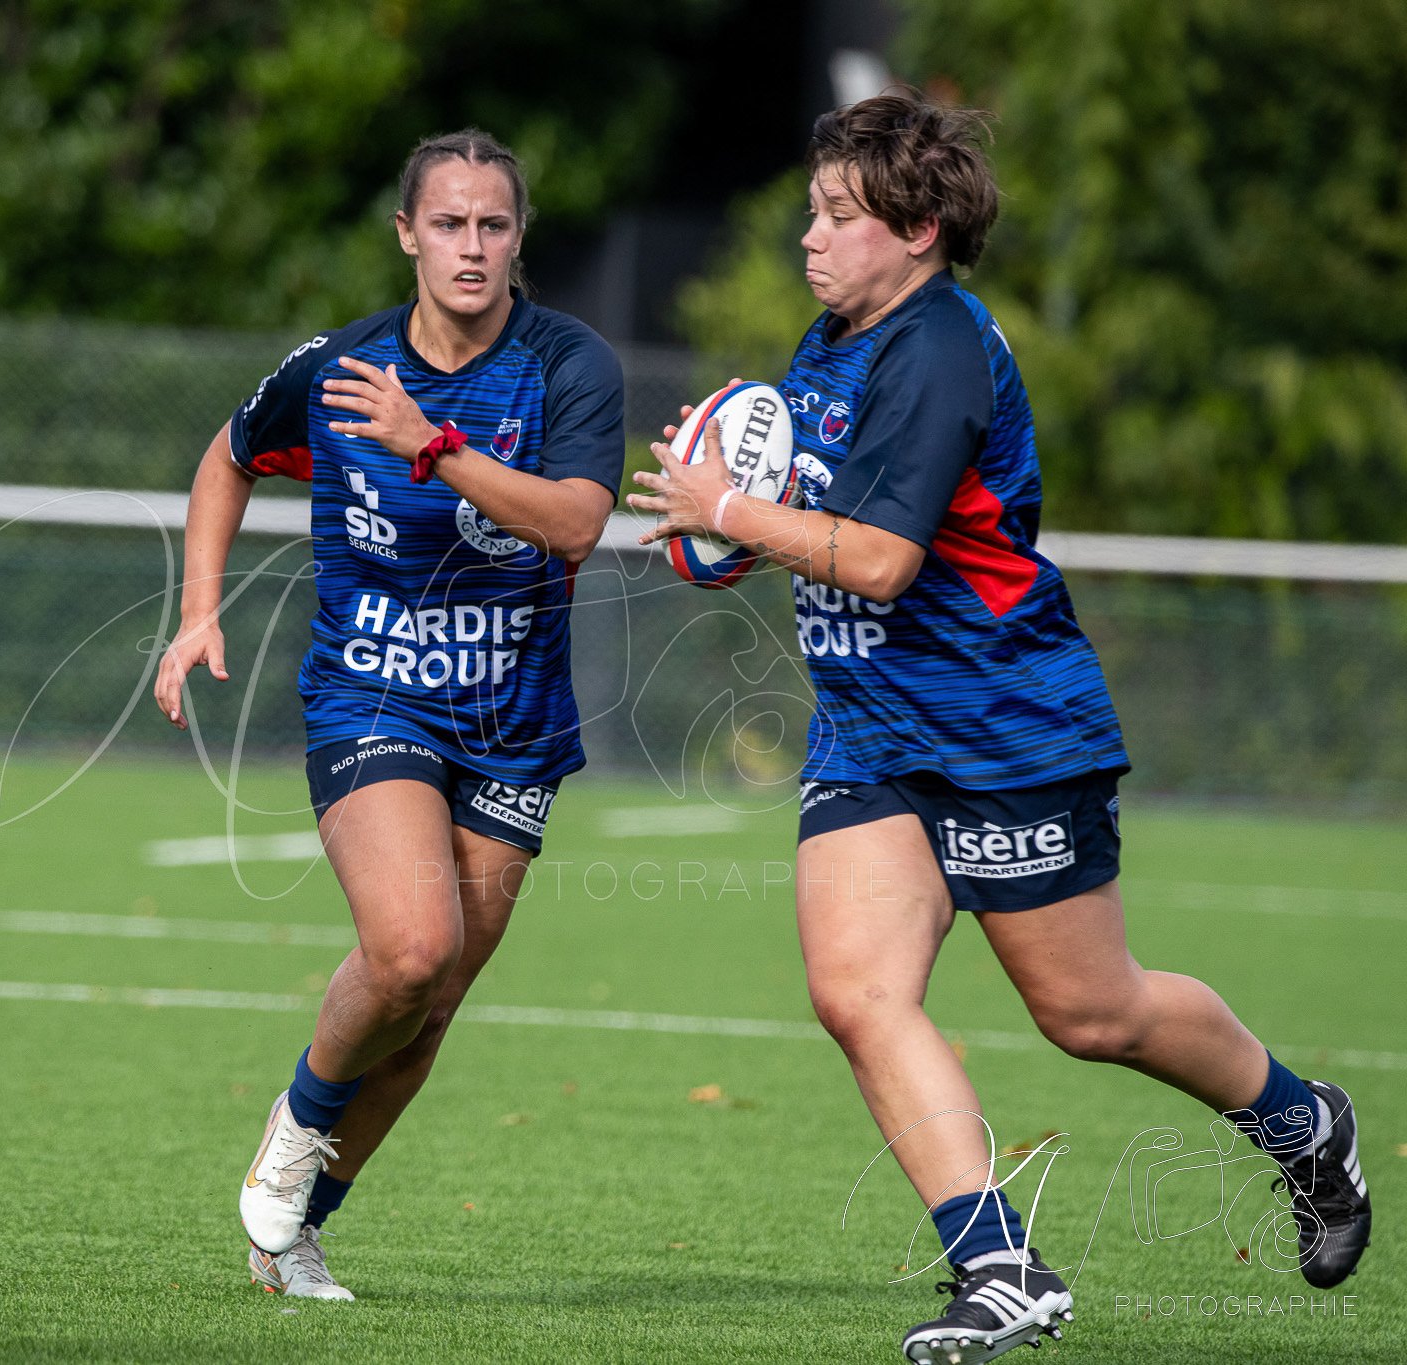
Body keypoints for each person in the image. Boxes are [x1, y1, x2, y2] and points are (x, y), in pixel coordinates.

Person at [628, 90, 1370, 1364]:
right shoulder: (833, 340)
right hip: (871, 728)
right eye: (810, 210)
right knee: (857, 993)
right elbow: (819, 515)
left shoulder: (934, 355)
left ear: (915, 229)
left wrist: (732, 516)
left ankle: (1308, 1130)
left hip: (1003, 731)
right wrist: (731, 528)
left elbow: (874, 562)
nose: (808, 237)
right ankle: (999, 1267)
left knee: (1092, 1016)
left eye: (836, 216)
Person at [154, 128, 623, 1299]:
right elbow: (226, 458)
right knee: (411, 949)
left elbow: (571, 523)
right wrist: (197, 611)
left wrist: (434, 445)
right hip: (371, 693)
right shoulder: (337, 366)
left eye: (494, 225)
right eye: (449, 224)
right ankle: (299, 1120)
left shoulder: (569, 365)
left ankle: (297, 1231)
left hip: (514, 720)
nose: (471, 247)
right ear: (406, 234)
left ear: (518, 239)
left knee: (432, 1006)